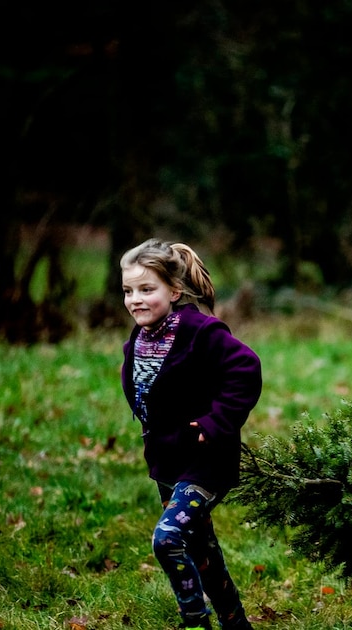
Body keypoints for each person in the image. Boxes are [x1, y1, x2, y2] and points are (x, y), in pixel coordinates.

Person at [120, 238, 262, 630]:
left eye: (147, 290)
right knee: (203, 554)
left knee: (167, 540)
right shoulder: (140, 338)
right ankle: (236, 623)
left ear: (174, 290)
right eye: (128, 291)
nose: (136, 300)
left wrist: (216, 424)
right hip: (168, 462)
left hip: (205, 462)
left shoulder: (200, 331)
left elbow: (246, 368)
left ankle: (194, 620)